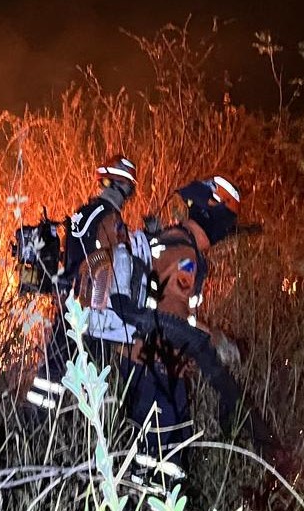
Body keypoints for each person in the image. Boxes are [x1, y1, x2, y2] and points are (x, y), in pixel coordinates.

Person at [116, 175, 275, 491]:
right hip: (157, 361)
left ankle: (157, 507)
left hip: (138, 354)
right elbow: (173, 317)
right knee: (160, 454)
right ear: (214, 215)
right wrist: (215, 342)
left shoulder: (167, 238)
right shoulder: (187, 257)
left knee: (167, 451)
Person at [25, 153, 150, 411]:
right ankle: (92, 432)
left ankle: (35, 426)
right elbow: (112, 265)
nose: (126, 196)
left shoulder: (81, 213)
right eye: (126, 189)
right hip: (94, 314)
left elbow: (75, 257)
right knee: (97, 379)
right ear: (120, 187)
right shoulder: (111, 220)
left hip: (70, 307)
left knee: (53, 371)